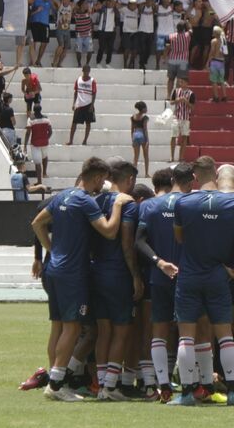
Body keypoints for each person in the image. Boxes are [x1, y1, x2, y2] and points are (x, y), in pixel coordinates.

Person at [31, 157, 131, 402]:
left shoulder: (62, 196)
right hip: (72, 273)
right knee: (73, 327)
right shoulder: (85, 201)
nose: (103, 185)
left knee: (58, 325)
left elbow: (37, 223)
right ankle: (55, 386)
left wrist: (51, 249)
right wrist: (117, 205)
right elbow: (109, 231)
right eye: (103, 180)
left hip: (53, 269)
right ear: (97, 178)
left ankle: (56, 376)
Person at [170, 158, 234, 406]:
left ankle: (188, 393)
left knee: (186, 336)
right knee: (225, 335)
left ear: (196, 175)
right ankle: (233, 392)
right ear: (216, 176)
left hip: (190, 273)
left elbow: (179, 238)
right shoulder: (233, 203)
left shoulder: (184, 202)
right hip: (218, 275)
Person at [135, 163, 193, 402]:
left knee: (159, 329)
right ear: (190, 180)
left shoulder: (149, 205)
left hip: (159, 276)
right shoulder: (192, 204)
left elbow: (138, 241)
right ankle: (193, 383)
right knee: (189, 331)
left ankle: (163, 385)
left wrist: (158, 262)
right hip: (189, 275)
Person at [90, 161, 143, 401]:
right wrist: (135, 276)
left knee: (103, 331)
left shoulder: (96, 201)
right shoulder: (127, 203)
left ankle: (101, 384)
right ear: (130, 179)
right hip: (118, 273)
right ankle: (110, 387)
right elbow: (127, 244)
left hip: (96, 270)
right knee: (122, 330)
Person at [68, 65, 96, 146]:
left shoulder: (92, 81)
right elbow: (76, 92)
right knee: (74, 123)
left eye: (88, 71)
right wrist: (74, 103)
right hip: (79, 104)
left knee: (88, 123)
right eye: (85, 70)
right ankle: (71, 140)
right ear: (82, 70)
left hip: (88, 104)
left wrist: (92, 105)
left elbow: (94, 94)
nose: (87, 72)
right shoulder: (78, 80)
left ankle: (85, 140)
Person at [25, 105, 53, 183]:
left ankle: (39, 181)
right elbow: (50, 132)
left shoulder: (30, 119)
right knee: (45, 157)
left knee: (37, 162)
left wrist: (25, 145)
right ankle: (44, 173)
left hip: (35, 143)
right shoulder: (46, 118)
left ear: (33, 110)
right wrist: (46, 138)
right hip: (44, 143)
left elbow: (28, 133)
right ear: (41, 110)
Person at [170, 77, 195, 162]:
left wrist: (186, 101)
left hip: (185, 118)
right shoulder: (176, 91)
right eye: (181, 82)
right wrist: (178, 100)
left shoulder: (191, 93)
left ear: (187, 83)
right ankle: (172, 157)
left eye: (183, 82)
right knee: (173, 136)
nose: (181, 84)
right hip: (176, 117)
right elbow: (171, 102)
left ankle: (181, 157)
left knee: (184, 137)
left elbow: (192, 107)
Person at [131, 101, 150, 178]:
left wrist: (132, 139)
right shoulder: (145, 118)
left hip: (135, 135)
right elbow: (145, 129)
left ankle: (133, 174)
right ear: (143, 109)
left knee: (136, 157)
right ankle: (146, 173)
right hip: (142, 135)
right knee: (146, 156)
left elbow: (132, 129)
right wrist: (147, 140)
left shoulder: (133, 117)